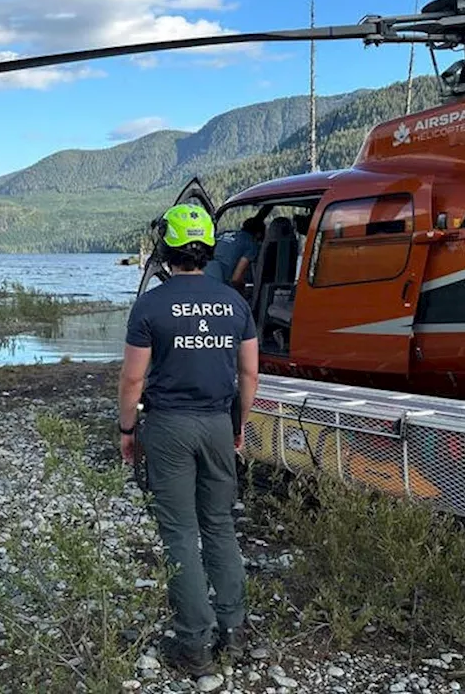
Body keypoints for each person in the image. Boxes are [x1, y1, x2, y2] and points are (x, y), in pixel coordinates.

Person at [117, 203, 261, 675]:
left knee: (179, 532)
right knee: (219, 524)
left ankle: (195, 644)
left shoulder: (151, 304)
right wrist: (239, 426)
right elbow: (249, 373)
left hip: (169, 427)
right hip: (219, 423)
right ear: (207, 249)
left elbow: (132, 381)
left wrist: (126, 429)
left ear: (167, 248)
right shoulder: (234, 303)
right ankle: (235, 630)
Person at [203, 214, 264, 290]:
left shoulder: (223, 234)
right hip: (219, 285)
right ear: (259, 235)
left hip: (201, 277)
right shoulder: (251, 244)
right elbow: (236, 279)